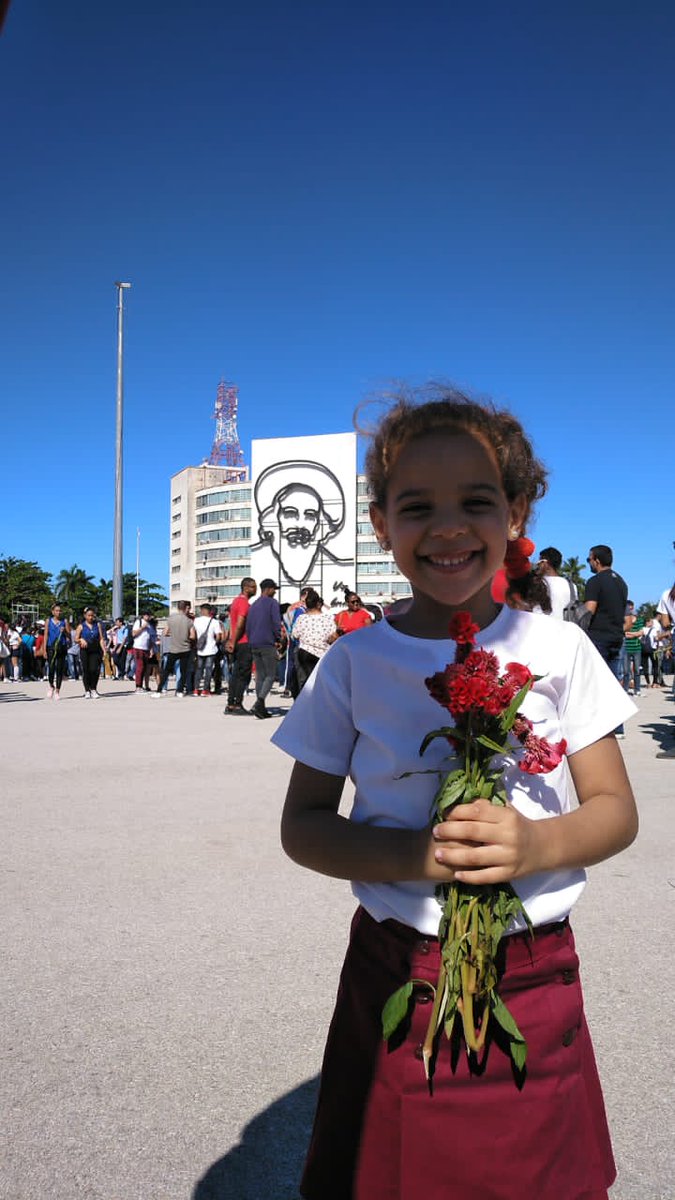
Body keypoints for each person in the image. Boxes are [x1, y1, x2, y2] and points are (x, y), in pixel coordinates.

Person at [272, 387, 638, 1200]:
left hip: (531, 970)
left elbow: (615, 811)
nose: (446, 526)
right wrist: (418, 853)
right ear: (380, 525)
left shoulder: (559, 647)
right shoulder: (355, 662)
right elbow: (302, 825)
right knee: (388, 1173)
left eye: (475, 501)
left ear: (514, 515)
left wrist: (536, 843)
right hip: (397, 963)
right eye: (416, 506)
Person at [584, 545, 629, 737]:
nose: (589, 564)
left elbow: (589, 610)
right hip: (616, 638)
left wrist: (578, 629)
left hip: (598, 638)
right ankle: (617, 728)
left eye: (589, 560)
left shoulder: (595, 581)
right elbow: (625, 616)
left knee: (594, 684)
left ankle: (596, 727)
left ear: (597, 560)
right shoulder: (621, 582)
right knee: (613, 682)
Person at [245, 578, 282, 719]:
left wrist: (251, 639)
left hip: (254, 643)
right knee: (271, 675)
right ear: (268, 589)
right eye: (274, 589)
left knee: (260, 676)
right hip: (267, 642)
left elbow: (248, 626)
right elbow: (276, 622)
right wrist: (278, 638)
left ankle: (261, 707)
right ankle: (259, 703)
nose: (275, 592)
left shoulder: (253, 605)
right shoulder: (272, 603)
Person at [292, 588, 338, 691]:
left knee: (307, 680)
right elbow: (334, 635)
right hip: (323, 654)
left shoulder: (302, 618)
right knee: (322, 682)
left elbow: (295, 635)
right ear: (318, 603)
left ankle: (306, 701)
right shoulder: (329, 618)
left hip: (305, 652)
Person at [152, 600, 196, 697]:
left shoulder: (171, 619)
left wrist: (174, 634)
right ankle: (180, 690)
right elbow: (193, 636)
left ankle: (159, 691)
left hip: (173, 648)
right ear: (186, 608)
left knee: (166, 671)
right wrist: (185, 636)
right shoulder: (189, 621)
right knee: (183, 671)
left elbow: (165, 633)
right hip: (185, 648)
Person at [75, 607, 106, 698]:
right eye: (88, 615)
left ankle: (93, 689)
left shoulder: (98, 625)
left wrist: (104, 650)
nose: (90, 617)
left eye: (92, 615)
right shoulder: (81, 626)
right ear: (85, 616)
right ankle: (87, 690)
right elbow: (75, 639)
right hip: (85, 650)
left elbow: (101, 638)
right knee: (86, 670)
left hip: (95, 649)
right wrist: (81, 640)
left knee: (94, 670)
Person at [193, 602, 222, 695]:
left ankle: (196, 689)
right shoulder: (214, 622)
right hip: (211, 649)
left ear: (202, 610)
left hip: (200, 649)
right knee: (208, 669)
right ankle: (205, 690)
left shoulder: (196, 621)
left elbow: (193, 635)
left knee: (199, 669)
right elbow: (218, 636)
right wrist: (215, 642)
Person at [45, 603, 71, 700]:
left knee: (59, 669)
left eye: (60, 611)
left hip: (62, 647)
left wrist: (64, 631)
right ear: (53, 612)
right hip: (51, 647)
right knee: (51, 668)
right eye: (56, 610)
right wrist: (44, 649)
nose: (58, 612)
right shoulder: (48, 621)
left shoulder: (64, 621)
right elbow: (46, 635)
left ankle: (57, 691)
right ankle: (51, 685)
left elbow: (69, 636)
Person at [622, 601, 644, 696]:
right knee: (626, 671)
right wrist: (635, 634)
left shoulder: (639, 620)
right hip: (626, 648)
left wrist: (631, 634)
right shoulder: (624, 620)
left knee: (637, 670)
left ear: (633, 607)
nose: (630, 608)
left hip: (637, 648)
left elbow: (641, 633)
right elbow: (624, 633)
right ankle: (625, 689)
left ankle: (637, 689)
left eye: (631, 607)